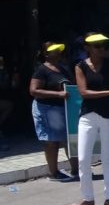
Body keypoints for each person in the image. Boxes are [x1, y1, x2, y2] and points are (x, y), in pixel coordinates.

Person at [70, 33, 109, 205]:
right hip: (87, 116)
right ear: (87, 48)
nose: (101, 49)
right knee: (84, 159)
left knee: (107, 159)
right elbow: (84, 92)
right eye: (97, 46)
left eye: (103, 45)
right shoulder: (80, 67)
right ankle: (87, 198)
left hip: (108, 115)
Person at [29, 42, 79, 181]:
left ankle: (76, 170)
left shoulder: (63, 69)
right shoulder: (41, 70)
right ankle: (54, 173)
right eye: (53, 50)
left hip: (65, 109)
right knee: (52, 141)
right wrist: (57, 95)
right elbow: (33, 91)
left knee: (69, 139)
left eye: (58, 50)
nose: (57, 52)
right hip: (47, 109)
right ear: (46, 54)